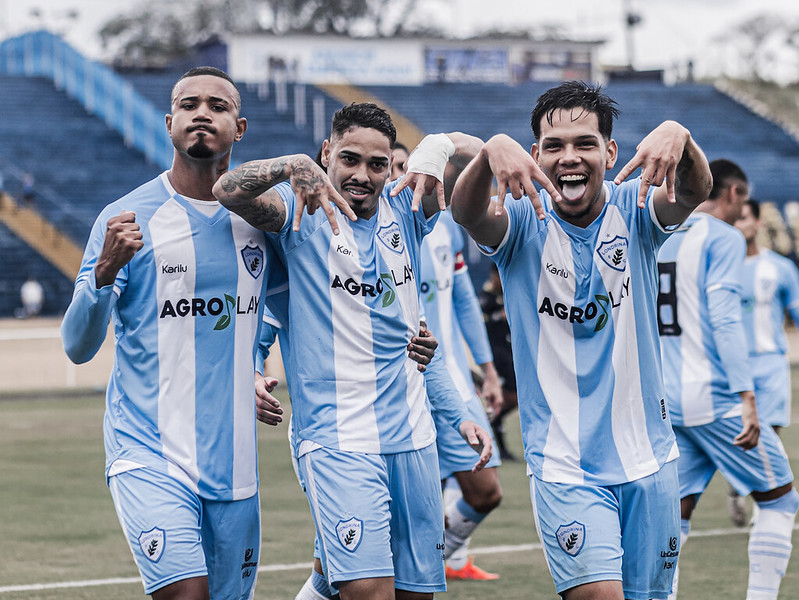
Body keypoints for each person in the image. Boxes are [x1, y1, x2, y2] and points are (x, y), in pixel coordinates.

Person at [213, 102, 492, 600]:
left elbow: (485, 156)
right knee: (367, 590)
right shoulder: (297, 213)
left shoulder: (408, 211)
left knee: (412, 593)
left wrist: (437, 145)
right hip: (337, 440)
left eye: (377, 164)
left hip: (413, 439)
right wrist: (291, 166)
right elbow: (226, 191)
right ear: (327, 154)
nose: (362, 176)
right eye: (349, 160)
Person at [450, 80, 714, 600]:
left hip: (651, 460)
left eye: (585, 144)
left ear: (610, 152)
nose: (569, 157)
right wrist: (487, 153)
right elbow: (467, 211)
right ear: (533, 156)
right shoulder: (522, 220)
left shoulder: (635, 210)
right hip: (564, 464)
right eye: (554, 146)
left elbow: (696, 188)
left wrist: (680, 135)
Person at [60, 66, 283, 600]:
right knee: (187, 594)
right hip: (149, 452)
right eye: (188, 104)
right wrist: (104, 273)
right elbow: (77, 346)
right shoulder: (124, 219)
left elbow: (281, 312)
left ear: (241, 126)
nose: (201, 113)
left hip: (235, 465)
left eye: (218, 105)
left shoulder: (262, 221)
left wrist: (253, 365)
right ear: (169, 123)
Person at [658, 159, 798, 600]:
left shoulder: (659, 235)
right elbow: (724, 319)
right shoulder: (723, 237)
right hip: (715, 398)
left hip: (666, 399)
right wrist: (747, 396)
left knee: (675, 512)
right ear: (734, 194)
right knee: (779, 500)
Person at [419, 207, 505, 581]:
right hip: (407, 389)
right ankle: (410, 570)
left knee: (486, 492)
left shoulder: (447, 227)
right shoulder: (370, 229)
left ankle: (434, 559)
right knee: (420, 506)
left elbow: (464, 299)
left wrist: (487, 370)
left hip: (451, 379)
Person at [726, 197, 799, 526]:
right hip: (731, 366)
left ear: (756, 223)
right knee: (739, 435)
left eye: (744, 219)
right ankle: (736, 489)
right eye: (735, 219)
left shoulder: (781, 268)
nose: (739, 225)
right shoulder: (721, 265)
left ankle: (763, 507)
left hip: (770, 363)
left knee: (770, 434)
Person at [478, 262, 519, 461]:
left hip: (509, 354)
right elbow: (481, 321)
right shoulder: (486, 298)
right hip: (496, 358)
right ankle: (498, 444)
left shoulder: (506, 295)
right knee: (506, 398)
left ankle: (493, 421)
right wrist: (498, 316)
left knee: (511, 400)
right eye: (497, 277)